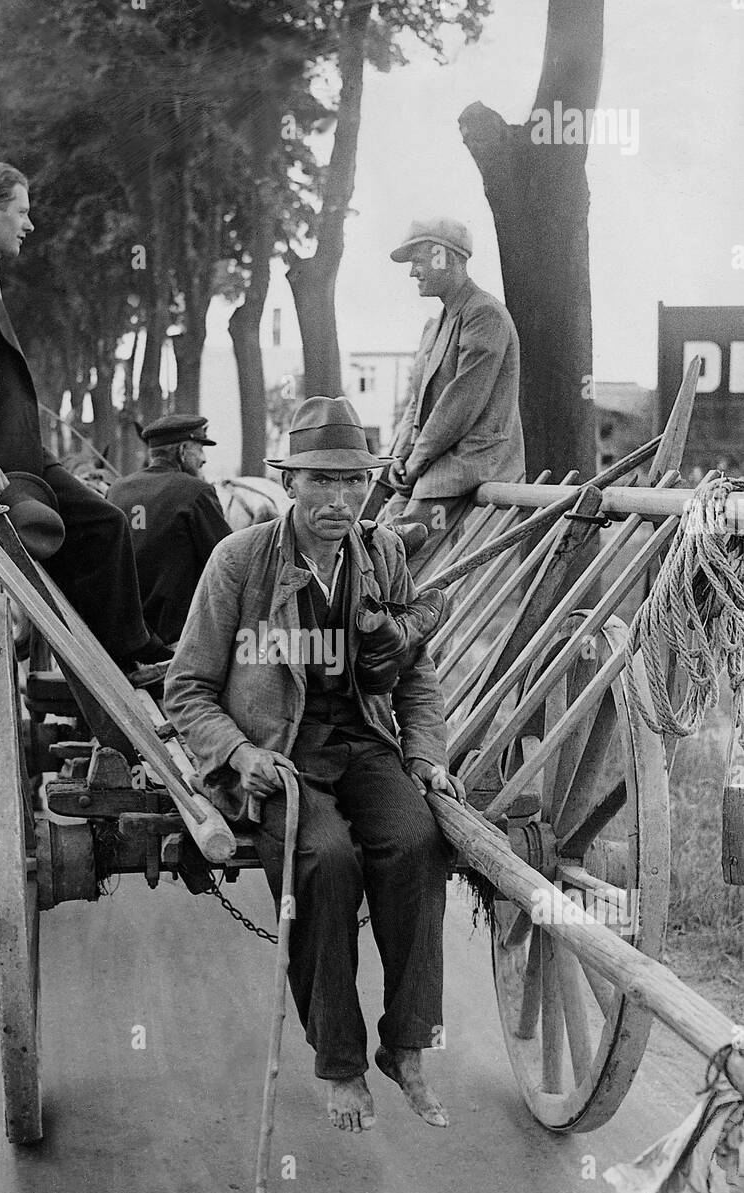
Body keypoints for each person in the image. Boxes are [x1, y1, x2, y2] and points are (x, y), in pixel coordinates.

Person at [165, 396, 464, 1135]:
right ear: (289, 482)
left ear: (367, 487)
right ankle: (339, 1062)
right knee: (324, 861)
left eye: (352, 484)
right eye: (320, 483)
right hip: (277, 754)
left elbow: (415, 674)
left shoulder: (384, 554)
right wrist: (238, 753)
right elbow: (186, 688)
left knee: (415, 843)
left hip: (362, 738)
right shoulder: (239, 561)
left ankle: (405, 1045)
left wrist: (425, 757)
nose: (337, 500)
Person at [0, 160, 170, 683]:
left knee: (100, 524)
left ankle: (125, 652)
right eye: (21, 211)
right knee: (89, 527)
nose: (29, 224)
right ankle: (125, 658)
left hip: (10, 449)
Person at [380, 217, 525, 582]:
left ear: (445, 256)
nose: (413, 272)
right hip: (434, 461)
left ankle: (399, 633)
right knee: (377, 538)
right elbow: (418, 402)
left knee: (400, 559)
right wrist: (400, 455)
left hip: (471, 459)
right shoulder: (438, 323)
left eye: (419, 260)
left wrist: (416, 462)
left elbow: (461, 403)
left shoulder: (484, 314)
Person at [107, 414, 231, 647]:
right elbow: (228, 560)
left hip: (128, 637)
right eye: (199, 449)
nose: (203, 459)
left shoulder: (116, 490)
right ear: (183, 451)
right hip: (179, 639)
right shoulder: (195, 491)